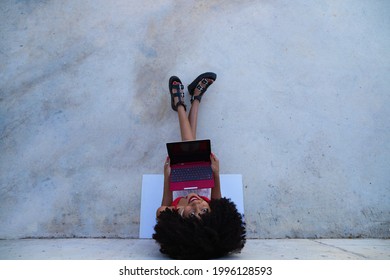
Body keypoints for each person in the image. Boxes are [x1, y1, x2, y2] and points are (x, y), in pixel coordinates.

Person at [152, 72, 246, 259]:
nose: (197, 205)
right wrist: (216, 173)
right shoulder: (214, 210)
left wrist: (168, 176)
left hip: (180, 173)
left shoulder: (173, 213)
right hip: (203, 175)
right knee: (190, 144)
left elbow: (162, 208)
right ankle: (183, 103)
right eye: (203, 210)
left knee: (189, 145)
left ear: (181, 224)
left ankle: (192, 100)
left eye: (193, 214)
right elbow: (218, 201)